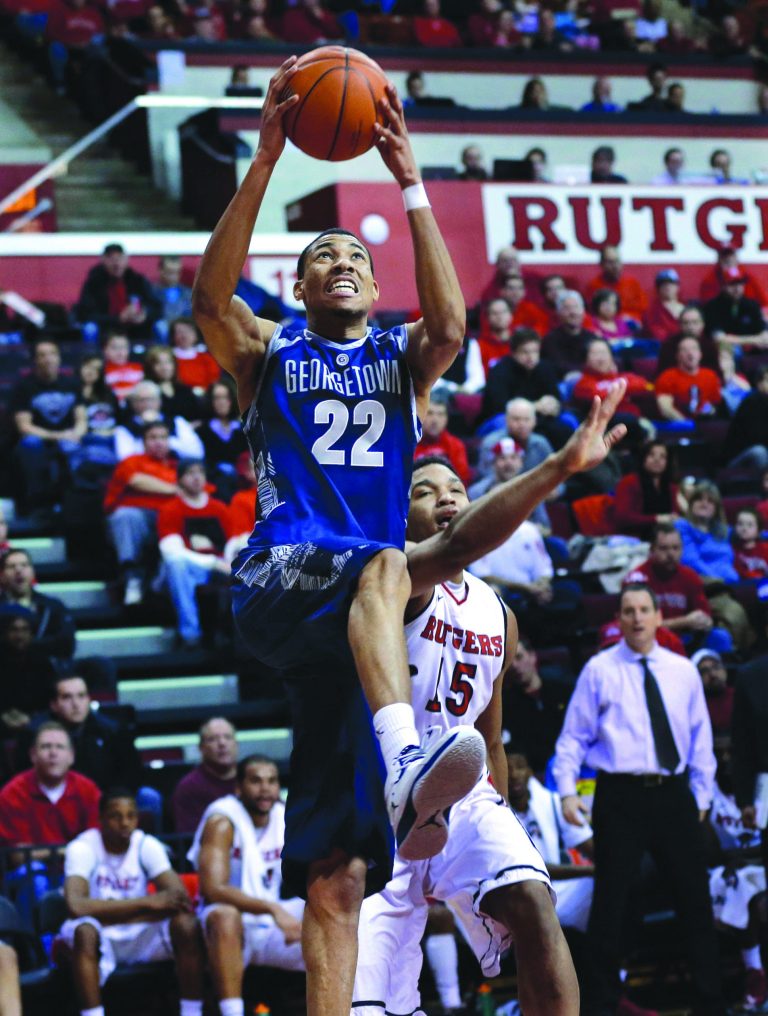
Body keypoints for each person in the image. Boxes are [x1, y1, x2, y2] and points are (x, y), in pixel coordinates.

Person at [192, 56, 486, 1016]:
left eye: (357, 256)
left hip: (355, 636)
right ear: (303, 282)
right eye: (327, 256)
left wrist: (409, 186)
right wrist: (269, 156)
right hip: (282, 574)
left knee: (336, 867)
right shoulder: (269, 347)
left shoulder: (402, 360)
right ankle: (408, 761)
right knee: (386, 561)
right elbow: (209, 298)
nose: (347, 264)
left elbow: (450, 321)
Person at [352, 388, 628, 1016]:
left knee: (534, 902)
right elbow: (454, 550)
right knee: (375, 1002)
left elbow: (492, 736)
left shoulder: (497, 611)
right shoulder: (393, 576)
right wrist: (559, 466)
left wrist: (499, 812)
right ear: (401, 515)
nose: (447, 495)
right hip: (380, 794)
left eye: (456, 487)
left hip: (464, 792)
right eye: (426, 491)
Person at [553, 583, 725, 1016]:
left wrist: (701, 797)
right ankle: (602, 1005)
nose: (636, 618)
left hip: (673, 795)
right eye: (628, 611)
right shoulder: (599, 669)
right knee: (610, 904)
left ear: (658, 617)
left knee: (695, 901)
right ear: (619, 619)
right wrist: (569, 790)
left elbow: (700, 738)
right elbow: (573, 737)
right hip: (620, 795)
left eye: (644, 610)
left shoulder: (682, 670)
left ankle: (711, 1003)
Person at [59, 789, 204, 1016]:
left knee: (186, 925)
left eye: (131, 816)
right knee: (84, 931)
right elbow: (76, 906)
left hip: (138, 931)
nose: (125, 823)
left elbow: (180, 899)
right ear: (101, 819)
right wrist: (150, 903)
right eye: (116, 816)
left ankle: (192, 1011)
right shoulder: (83, 847)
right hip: (101, 933)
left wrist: (109, 911)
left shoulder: (146, 844)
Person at [188, 755, 305, 1014]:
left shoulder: (283, 815)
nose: (265, 788)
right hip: (229, 927)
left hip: (270, 921)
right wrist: (273, 910)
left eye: (272, 781)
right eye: (256, 781)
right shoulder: (222, 821)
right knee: (224, 916)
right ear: (239, 787)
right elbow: (213, 889)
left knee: (330, 908)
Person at [508, 748, 595, 933]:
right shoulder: (493, 813)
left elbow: (588, 843)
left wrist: (612, 866)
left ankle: (610, 958)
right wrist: (591, 869)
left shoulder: (550, 802)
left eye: (520, 767)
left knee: (607, 886)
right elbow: (532, 870)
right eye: (507, 769)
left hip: (556, 889)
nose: (514, 774)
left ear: (530, 772)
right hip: (519, 894)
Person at [157, 459, 235, 649]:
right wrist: (212, 562)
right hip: (186, 570)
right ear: (180, 479)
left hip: (220, 566)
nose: (196, 477)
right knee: (176, 564)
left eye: (200, 472)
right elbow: (171, 551)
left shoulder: (219, 508)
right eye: (190, 473)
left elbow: (233, 543)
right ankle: (190, 634)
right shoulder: (170, 509)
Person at [18, 675, 142, 792]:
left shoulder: (112, 730)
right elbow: (25, 778)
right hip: (53, 800)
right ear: (54, 705)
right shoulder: (34, 734)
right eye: (67, 697)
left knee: (148, 796)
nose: (76, 704)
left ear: (89, 700)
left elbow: (131, 774)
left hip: (106, 801)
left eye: (81, 696)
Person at [103, 420, 180, 606]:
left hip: (171, 518)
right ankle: (132, 577)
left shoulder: (179, 465)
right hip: (140, 517)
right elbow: (136, 480)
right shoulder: (132, 461)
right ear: (143, 442)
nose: (159, 442)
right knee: (126, 516)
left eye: (163, 437)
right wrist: (174, 489)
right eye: (153, 438)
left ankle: (161, 584)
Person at [9, 338, 86, 516]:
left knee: (75, 447)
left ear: (59, 358)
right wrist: (57, 436)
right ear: (35, 360)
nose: (48, 359)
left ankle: (73, 506)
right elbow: (24, 426)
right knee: (31, 444)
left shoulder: (72, 384)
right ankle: (37, 506)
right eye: (42, 355)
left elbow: (82, 419)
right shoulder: (24, 387)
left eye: (52, 354)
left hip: (67, 438)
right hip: (40, 439)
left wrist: (76, 434)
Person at [625, 523, 729, 650]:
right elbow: (639, 625)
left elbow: (704, 616)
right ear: (651, 550)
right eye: (664, 548)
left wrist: (704, 621)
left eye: (676, 548)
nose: (670, 554)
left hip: (686, 638)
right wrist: (685, 621)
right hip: (652, 640)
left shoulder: (690, 576)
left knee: (720, 636)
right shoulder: (637, 578)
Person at [0, 721, 100, 854]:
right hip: (30, 871)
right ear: (33, 755)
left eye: (60, 747)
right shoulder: (12, 794)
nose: (53, 753)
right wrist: (73, 851)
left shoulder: (88, 791)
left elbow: (96, 847)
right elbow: (18, 856)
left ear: (71, 756)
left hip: (79, 868)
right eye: (46, 747)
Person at [502, 635, 576, 774]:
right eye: (510, 662)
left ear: (532, 656)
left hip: (571, 767)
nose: (515, 666)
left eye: (519, 657)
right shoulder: (506, 704)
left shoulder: (563, 691)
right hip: (533, 775)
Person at [75, 243, 161, 342]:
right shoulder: (93, 283)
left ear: (126, 260)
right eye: (111, 259)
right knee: (90, 328)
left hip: (137, 327)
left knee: (160, 326)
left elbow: (156, 306)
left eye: (119, 259)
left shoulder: (138, 280)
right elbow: (85, 314)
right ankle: (90, 355)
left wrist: (144, 314)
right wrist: (118, 318)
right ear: (103, 261)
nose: (116, 264)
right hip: (105, 329)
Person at [480, 328, 561, 425]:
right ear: (514, 353)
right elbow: (498, 407)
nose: (531, 357)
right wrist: (534, 407)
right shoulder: (499, 371)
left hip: (539, 418)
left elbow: (555, 397)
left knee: (567, 419)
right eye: (525, 352)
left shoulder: (545, 368)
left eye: (535, 352)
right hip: (503, 419)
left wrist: (553, 405)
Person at [172, 717, 238, 834]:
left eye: (228, 737)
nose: (222, 743)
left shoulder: (253, 780)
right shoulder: (189, 787)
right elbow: (189, 837)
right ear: (201, 748)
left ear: (236, 744)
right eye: (212, 739)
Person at [114, 379, 204, 461]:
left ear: (159, 401)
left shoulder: (177, 421)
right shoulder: (124, 429)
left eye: (151, 399)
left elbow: (196, 453)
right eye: (141, 400)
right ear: (133, 403)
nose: (147, 404)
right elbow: (125, 458)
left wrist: (165, 443)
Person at [614, 440, 681, 538]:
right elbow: (622, 518)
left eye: (662, 457)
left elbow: (674, 516)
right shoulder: (629, 482)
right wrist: (656, 519)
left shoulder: (671, 487)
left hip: (664, 538)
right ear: (643, 458)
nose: (657, 459)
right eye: (651, 455)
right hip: (632, 538)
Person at [676, 481, 739, 583]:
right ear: (691, 504)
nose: (704, 504)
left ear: (716, 508)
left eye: (710, 501)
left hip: (731, 583)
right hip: (703, 583)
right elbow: (690, 561)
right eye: (699, 499)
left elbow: (752, 533)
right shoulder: (682, 526)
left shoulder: (723, 530)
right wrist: (718, 581)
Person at [655, 336, 722, 422]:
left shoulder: (710, 375)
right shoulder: (667, 376)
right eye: (684, 350)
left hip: (705, 422)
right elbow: (666, 409)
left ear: (700, 354)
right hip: (679, 425)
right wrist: (686, 423)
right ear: (678, 355)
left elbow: (715, 404)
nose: (690, 353)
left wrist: (709, 413)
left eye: (694, 349)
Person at [704, 267, 768, 351]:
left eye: (740, 283)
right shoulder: (712, 306)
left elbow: (765, 337)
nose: (737, 288)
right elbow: (719, 338)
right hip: (726, 351)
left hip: (752, 351)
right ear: (723, 286)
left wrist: (735, 340)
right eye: (732, 284)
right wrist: (754, 340)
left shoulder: (752, 305)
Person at [414, 395, 470, 484]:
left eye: (440, 414)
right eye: (429, 413)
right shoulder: (408, 443)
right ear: (419, 414)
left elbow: (462, 480)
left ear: (446, 419)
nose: (435, 420)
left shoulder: (456, 445)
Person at [585, 246, 648, 325]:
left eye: (617, 261)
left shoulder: (632, 284)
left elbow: (644, 311)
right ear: (602, 264)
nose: (615, 266)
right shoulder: (594, 286)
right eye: (610, 262)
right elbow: (592, 315)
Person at [143, 345, 203, 426]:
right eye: (158, 363)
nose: (164, 367)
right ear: (150, 367)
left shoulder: (185, 390)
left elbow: (198, 419)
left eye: (168, 362)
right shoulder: (146, 393)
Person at [542, 290, 599, 375]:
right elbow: (559, 367)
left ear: (583, 311)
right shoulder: (550, 340)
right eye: (567, 308)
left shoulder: (593, 338)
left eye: (576, 307)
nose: (573, 312)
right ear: (558, 313)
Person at [699, 246, 767, 308]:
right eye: (725, 258)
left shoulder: (749, 277)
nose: (729, 260)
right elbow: (707, 306)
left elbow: (764, 303)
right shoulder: (709, 281)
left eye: (739, 283)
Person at [169, 318, 221, 393]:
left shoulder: (207, 358)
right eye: (179, 332)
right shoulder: (168, 357)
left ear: (196, 335)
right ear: (173, 336)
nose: (184, 335)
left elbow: (214, 381)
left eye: (188, 331)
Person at [691, 648, 733, 735]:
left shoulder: (738, 696)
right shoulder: (695, 704)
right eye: (704, 671)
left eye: (716, 667)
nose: (713, 674)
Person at [152, 254, 193, 335]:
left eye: (177, 272)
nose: (174, 277)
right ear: (161, 271)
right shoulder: (151, 292)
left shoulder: (188, 294)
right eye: (170, 273)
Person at [101, 331, 144, 404]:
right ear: (105, 350)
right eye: (114, 348)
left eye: (124, 347)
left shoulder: (139, 368)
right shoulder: (100, 371)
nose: (120, 352)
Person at [643, 268, 685, 342]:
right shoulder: (652, 312)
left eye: (671, 283)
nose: (667, 287)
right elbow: (658, 335)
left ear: (678, 286)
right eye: (663, 284)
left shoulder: (687, 310)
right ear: (658, 288)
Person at [732, 507, 768, 580]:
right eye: (740, 524)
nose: (744, 528)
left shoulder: (765, 548)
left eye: (750, 525)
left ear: (759, 530)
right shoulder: (732, 550)